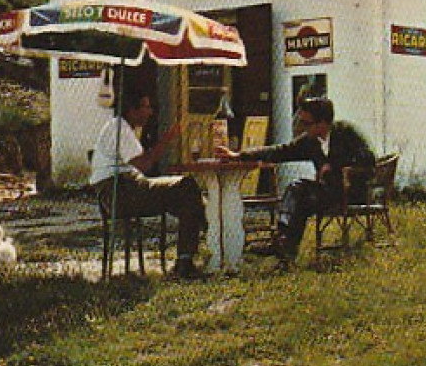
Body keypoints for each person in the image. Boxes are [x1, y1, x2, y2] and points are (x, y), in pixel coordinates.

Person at [217, 95, 374, 264]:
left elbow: (368, 159)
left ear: (321, 123)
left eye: (306, 123)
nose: (302, 128)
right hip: (328, 193)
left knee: (300, 193)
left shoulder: (346, 133)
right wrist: (239, 156)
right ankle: (284, 244)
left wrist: (335, 165)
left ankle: (283, 243)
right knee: (298, 190)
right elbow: (280, 151)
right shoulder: (311, 141)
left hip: (352, 192)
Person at [89, 87, 208, 278]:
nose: (150, 111)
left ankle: (196, 253)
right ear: (132, 110)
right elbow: (144, 164)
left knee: (189, 196)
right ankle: (200, 250)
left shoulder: (121, 127)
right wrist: (167, 139)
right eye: (146, 107)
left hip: (125, 187)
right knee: (187, 188)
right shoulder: (120, 129)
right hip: (119, 191)